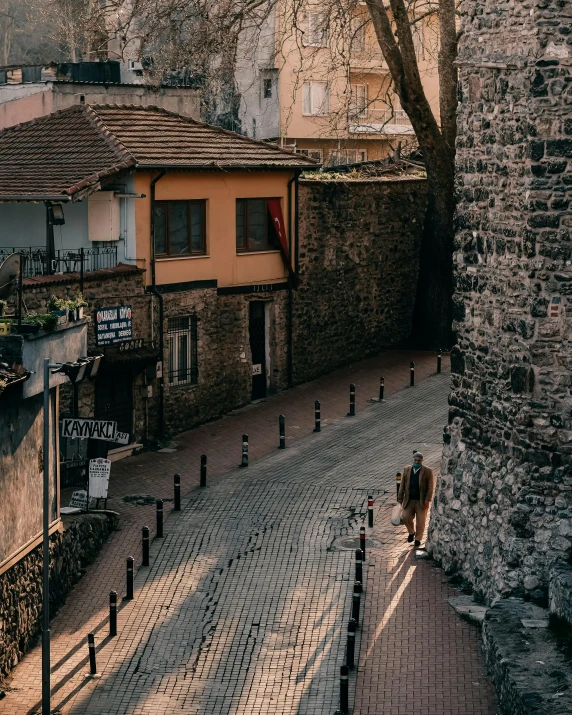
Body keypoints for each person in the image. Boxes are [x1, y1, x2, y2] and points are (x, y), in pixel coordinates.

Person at [397, 452, 435, 547]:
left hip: (421, 501)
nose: (417, 462)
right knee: (405, 517)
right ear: (413, 460)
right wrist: (399, 500)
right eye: (415, 460)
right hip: (409, 500)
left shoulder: (427, 471)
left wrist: (428, 499)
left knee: (421, 522)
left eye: (419, 460)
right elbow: (402, 486)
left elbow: (431, 487)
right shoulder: (407, 470)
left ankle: (418, 539)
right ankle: (411, 532)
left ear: (422, 461)